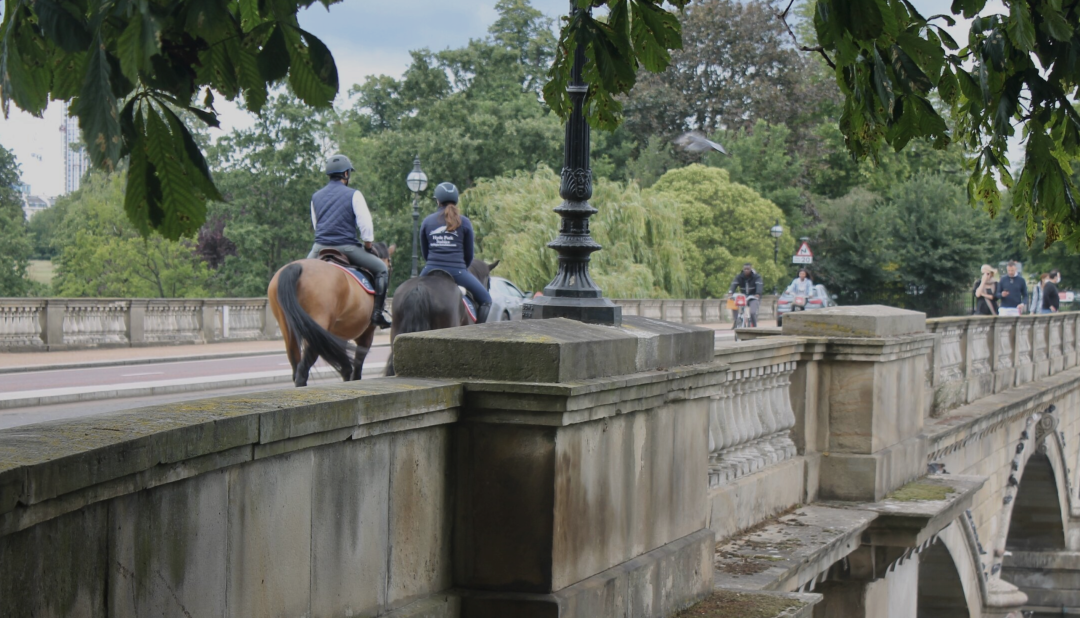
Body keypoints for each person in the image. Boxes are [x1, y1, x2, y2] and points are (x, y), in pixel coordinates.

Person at [306, 154, 391, 329]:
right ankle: (377, 314)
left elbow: (317, 225)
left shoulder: (315, 196)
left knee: (301, 274)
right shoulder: (354, 194)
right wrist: (368, 245)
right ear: (346, 173)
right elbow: (365, 225)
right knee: (382, 269)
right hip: (347, 247)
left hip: (319, 247)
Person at [419, 182, 492, 323]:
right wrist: (460, 268)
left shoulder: (427, 221)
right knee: (486, 300)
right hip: (457, 271)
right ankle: (478, 334)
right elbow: (469, 254)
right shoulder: (464, 222)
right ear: (456, 200)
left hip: (430, 269)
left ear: (438, 200)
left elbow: (425, 253)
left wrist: (433, 264)